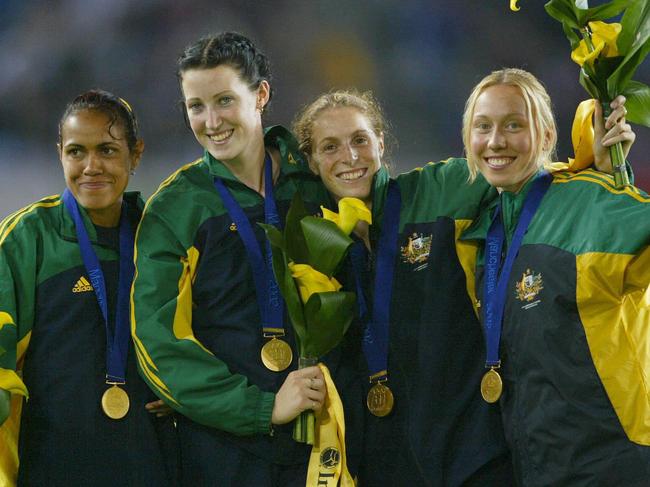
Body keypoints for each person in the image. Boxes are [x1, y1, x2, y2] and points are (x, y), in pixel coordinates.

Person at [292, 86, 633, 486]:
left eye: (360, 140)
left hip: (473, 459)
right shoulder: (312, 246)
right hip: (381, 464)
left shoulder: (439, 190)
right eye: (330, 147)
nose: (349, 157)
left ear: (381, 143)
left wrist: (601, 166)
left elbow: (520, 170)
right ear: (312, 162)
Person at [130, 32, 361, 486]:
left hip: (331, 436)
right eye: (196, 106)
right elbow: (158, 344)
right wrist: (263, 407)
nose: (211, 121)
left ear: (261, 95)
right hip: (225, 453)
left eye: (224, 101)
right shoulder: (177, 207)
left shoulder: (314, 180)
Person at [460, 68, 648, 486]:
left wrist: (611, 179)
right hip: (535, 464)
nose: (496, 141)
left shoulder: (589, 203)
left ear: (546, 136)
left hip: (614, 460)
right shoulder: (481, 231)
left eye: (514, 125)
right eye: (483, 126)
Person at [0, 90, 178, 486]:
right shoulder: (28, 237)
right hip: (52, 466)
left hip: (150, 464)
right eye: (77, 152)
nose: (91, 167)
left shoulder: (162, 236)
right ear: (60, 152)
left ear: (136, 154)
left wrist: (184, 386)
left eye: (108, 150)